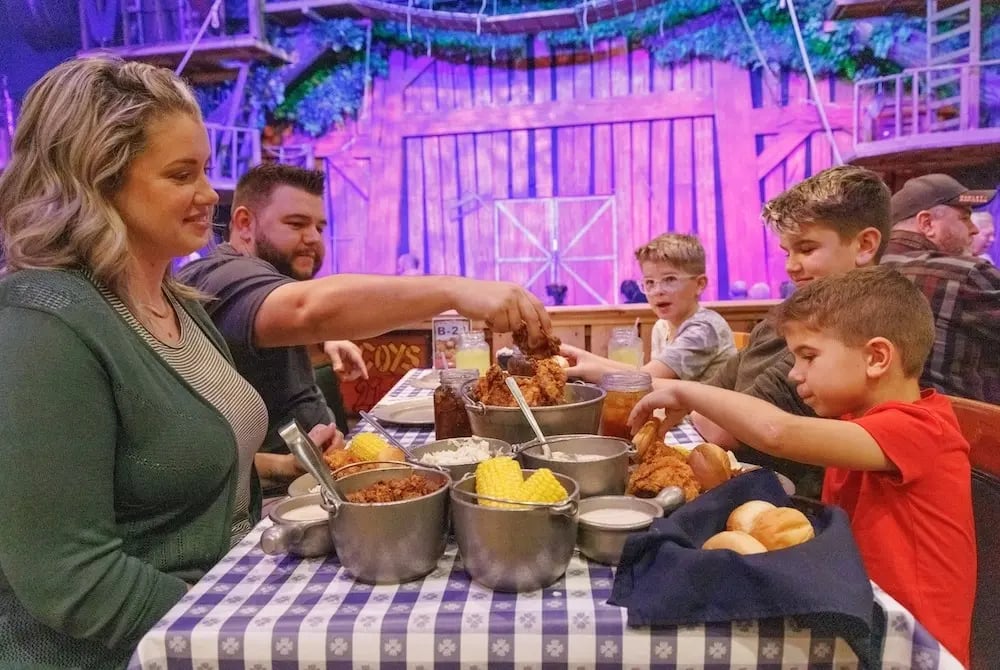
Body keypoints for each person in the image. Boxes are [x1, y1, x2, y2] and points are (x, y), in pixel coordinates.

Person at [0, 56, 270, 669]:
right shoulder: (45, 320)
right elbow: (68, 575)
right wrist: (238, 631)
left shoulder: (174, 301)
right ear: (95, 183)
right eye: (181, 175)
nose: (209, 195)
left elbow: (167, 466)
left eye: (204, 170)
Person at [627, 266, 976, 667]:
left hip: (908, 646)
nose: (794, 374)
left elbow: (777, 431)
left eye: (808, 356)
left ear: (877, 357)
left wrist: (686, 391)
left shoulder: (920, 429)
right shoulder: (854, 422)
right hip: (854, 617)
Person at [179, 163, 553, 491]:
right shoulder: (221, 275)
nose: (312, 237)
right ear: (244, 224)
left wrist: (324, 341)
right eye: (296, 224)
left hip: (322, 471)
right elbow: (306, 309)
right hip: (282, 499)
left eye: (319, 226)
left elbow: (276, 321)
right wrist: (454, 290)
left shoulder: (260, 285)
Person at [693, 165, 891, 498]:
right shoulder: (789, 318)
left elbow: (725, 428)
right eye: (787, 252)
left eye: (807, 249)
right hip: (750, 485)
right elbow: (707, 403)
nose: (791, 266)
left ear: (865, 245)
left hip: (800, 505)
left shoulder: (849, 335)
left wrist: (715, 408)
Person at [881, 173, 999, 404]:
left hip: (880, 430)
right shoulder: (967, 275)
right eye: (965, 218)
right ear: (927, 224)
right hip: (971, 432)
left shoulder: (860, 273)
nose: (973, 230)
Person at [563, 234, 736, 384]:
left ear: (700, 284)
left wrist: (588, 372)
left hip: (704, 421)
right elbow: (646, 373)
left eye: (670, 280)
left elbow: (646, 380)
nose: (657, 291)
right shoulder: (662, 326)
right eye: (649, 283)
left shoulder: (704, 329)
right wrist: (582, 356)